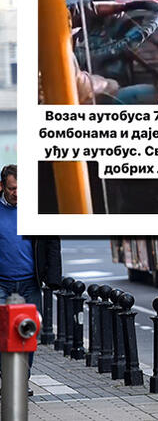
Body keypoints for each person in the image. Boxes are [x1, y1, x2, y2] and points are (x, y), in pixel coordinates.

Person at [0, 165, 62, 395]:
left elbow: (52, 241)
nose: (17, 193)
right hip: (2, 283)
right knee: (2, 332)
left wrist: (53, 278)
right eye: (12, 188)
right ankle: (7, 373)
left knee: (27, 333)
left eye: (21, 189)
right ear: (2, 187)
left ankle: (19, 380)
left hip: (29, 282)